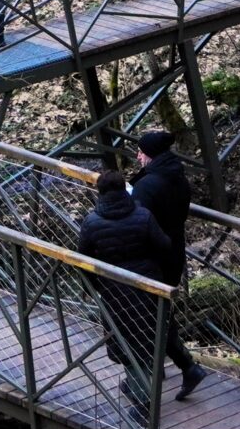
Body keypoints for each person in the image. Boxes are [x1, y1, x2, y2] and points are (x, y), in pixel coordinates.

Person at [75, 170, 178, 416]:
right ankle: (139, 390)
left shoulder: (91, 222)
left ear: (99, 193)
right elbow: (164, 245)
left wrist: (92, 287)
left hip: (114, 291)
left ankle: (144, 404)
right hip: (147, 286)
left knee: (125, 340)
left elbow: (82, 259)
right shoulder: (143, 216)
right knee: (146, 338)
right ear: (124, 189)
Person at [129, 130, 206, 399]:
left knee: (147, 314)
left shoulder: (148, 186)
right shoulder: (177, 177)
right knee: (158, 312)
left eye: (141, 152)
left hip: (151, 257)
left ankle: (152, 377)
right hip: (174, 252)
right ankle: (175, 367)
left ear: (151, 155)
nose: (137, 155)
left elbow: (138, 223)